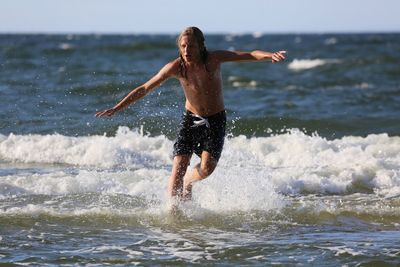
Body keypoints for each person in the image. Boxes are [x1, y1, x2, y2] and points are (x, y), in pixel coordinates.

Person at [96, 26, 286, 202]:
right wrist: (117, 108)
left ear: (201, 46)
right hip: (191, 119)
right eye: (183, 46)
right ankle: (173, 214)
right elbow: (145, 88)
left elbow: (250, 54)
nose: (186, 50)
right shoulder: (176, 67)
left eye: (191, 46)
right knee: (179, 164)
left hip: (215, 119)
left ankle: (189, 181)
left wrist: (271, 55)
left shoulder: (213, 59)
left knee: (206, 169)